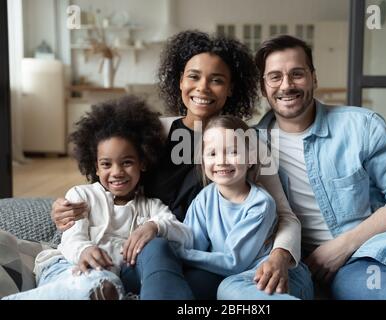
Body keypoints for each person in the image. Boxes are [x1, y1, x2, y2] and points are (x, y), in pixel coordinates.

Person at [49, 30, 311, 299]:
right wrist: (66, 208)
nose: (203, 88)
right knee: (155, 252)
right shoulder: (152, 133)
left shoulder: (247, 142)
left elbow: (284, 215)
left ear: (232, 88)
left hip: (214, 263)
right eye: (193, 76)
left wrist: (280, 256)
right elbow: (109, 182)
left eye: (217, 80)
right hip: (152, 254)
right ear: (179, 81)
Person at [254, 34, 386, 299]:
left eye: (297, 74)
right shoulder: (250, 147)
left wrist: (343, 244)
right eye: (275, 76)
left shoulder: (361, 125)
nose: (286, 85)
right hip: (351, 269)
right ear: (263, 86)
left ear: (314, 77)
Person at [3, 97, 194, 300]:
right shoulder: (82, 196)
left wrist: (155, 226)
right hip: (68, 266)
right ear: (95, 166)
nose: (117, 172)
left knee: (109, 288)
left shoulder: (151, 206)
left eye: (127, 162)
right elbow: (72, 238)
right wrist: (84, 250)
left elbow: (185, 236)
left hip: (111, 280)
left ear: (143, 163)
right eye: (106, 164)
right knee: (102, 287)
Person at [177, 115, 313, 300]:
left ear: (250, 159)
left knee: (228, 288)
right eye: (212, 154)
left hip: (277, 275)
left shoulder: (261, 203)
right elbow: (193, 244)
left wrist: (178, 251)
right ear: (203, 161)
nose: (221, 161)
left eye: (233, 152)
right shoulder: (204, 199)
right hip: (239, 274)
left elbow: (234, 263)